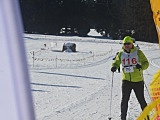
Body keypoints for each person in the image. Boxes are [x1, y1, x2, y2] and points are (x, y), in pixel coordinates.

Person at [111, 36, 149, 120]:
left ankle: (147, 117)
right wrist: (114, 66)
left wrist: (141, 66)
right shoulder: (121, 53)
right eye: (125, 44)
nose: (127, 45)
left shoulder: (138, 52)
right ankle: (123, 118)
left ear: (132, 44)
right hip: (126, 81)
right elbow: (116, 62)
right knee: (124, 101)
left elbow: (146, 63)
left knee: (141, 100)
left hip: (138, 80)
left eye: (128, 43)